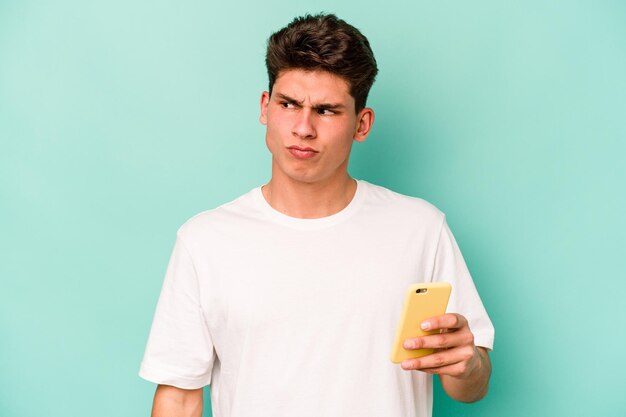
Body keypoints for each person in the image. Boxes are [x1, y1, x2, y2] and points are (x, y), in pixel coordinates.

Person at [139, 13, 494, 417]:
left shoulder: (421, 228)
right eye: (288, 104)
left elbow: (471, 385)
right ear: (265, 107)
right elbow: (178, 397)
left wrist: (469, 365)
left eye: (326, 110)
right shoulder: (205, 240)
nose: (303, 127)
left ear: (362, 124)